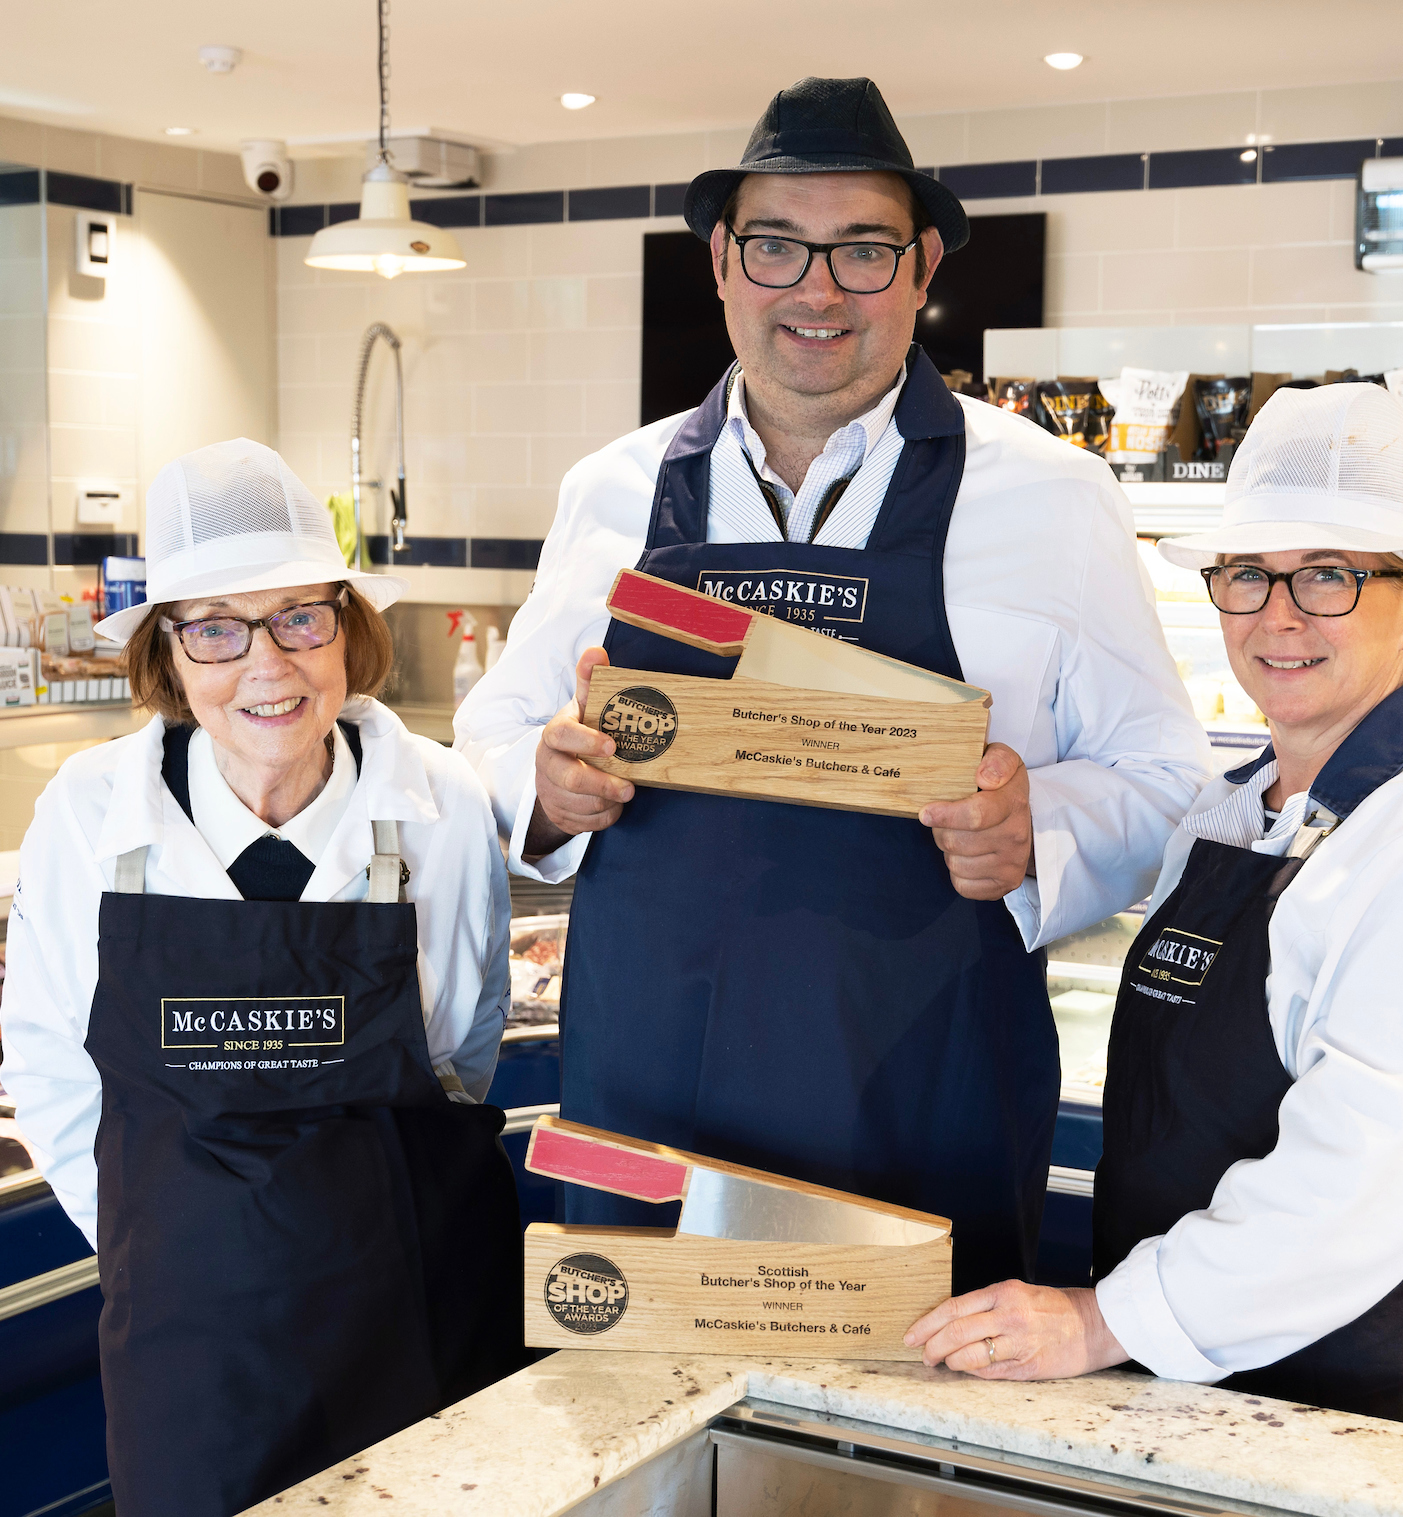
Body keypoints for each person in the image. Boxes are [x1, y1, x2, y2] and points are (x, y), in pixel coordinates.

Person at [452, 76, 1211, 1292]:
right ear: (720, 262)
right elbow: (489, 734)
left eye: (862, 250)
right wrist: (539, 785)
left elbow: (1174, 779)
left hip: (924, 1085)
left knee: (917, 1450)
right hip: (653, 1089)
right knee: (647, 1438)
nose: (816, 289)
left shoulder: (1054, 497)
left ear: (921, 270)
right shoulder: (611, 487)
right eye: (776, 247)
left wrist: (1039, 829)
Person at [904, 384, 1403, 1440]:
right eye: (1248, 576)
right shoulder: (1231, 807)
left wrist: (1096, 1322)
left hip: (1353, 1402)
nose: (1279, 615)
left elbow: (1351, 1187)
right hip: (1185, 1373)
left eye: (1330, 576)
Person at [2, 440, 522, 1517]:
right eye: (217, 628)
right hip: (192, 1351)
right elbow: (52, 1071)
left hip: (419, 1311)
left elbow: (464, 1050)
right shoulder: (91, 813)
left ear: (347, 624)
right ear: (170, 651)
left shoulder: (443, 802)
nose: (266, 664)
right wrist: (179, 1248)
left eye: (299, 615)